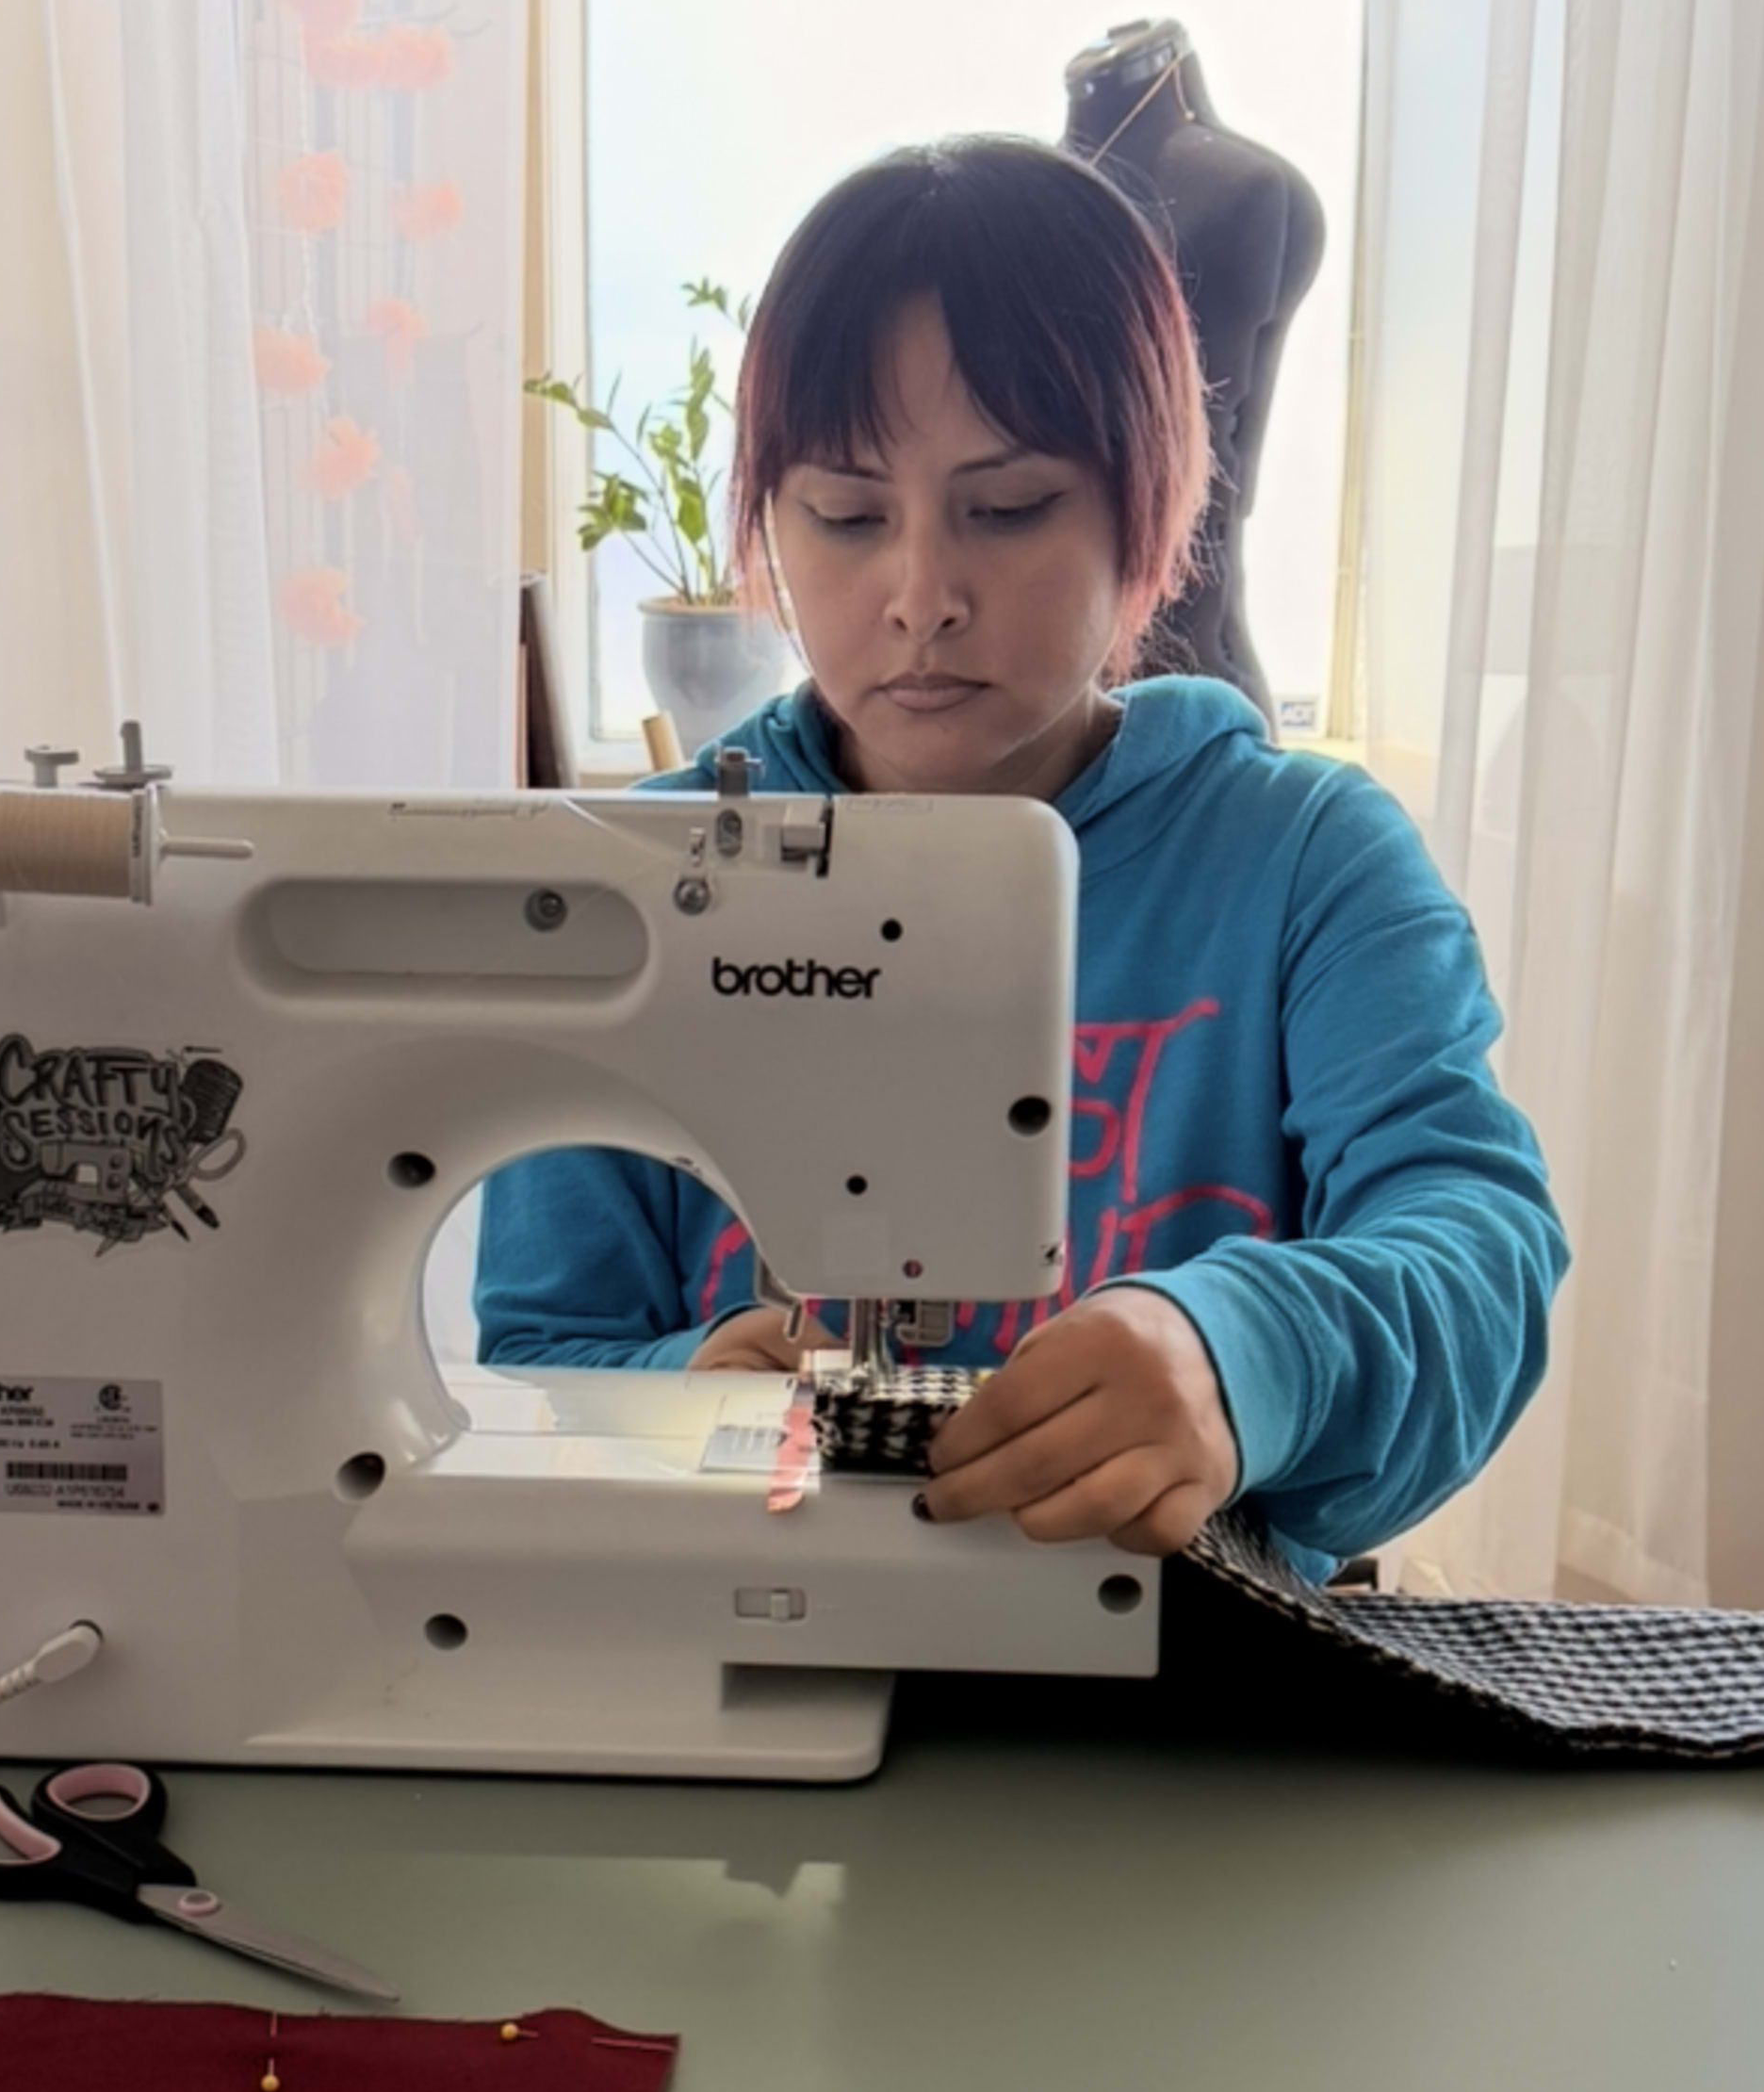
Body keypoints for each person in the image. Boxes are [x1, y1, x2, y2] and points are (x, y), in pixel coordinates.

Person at [473, 138, 1564, 1570]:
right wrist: (681, 1394)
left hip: (1190, 1698)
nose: (922, 595)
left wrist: (1236, 1353)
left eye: (1008, 507)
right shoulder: (636, 879)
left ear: (1150, 505)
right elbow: (543, 1350)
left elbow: (1478, 1248)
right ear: (771, 525)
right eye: (848, 516)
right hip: (744, 1653)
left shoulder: (1305, 861)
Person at [1058, 18, 1327, 727]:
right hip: (1059, 692)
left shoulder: (1243, 191)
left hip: (1196, 674)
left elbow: (1226, 480)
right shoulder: (1025, 211)